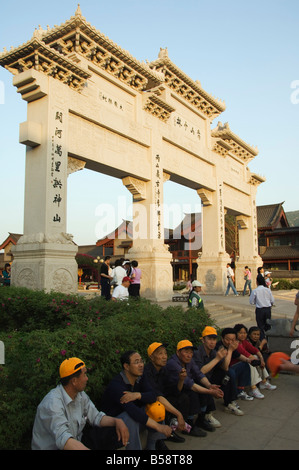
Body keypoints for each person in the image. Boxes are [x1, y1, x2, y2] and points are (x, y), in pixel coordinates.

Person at [31, 357, 129, 450]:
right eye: (84, 374)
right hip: (58, 447)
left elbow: (96, 417)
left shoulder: (80, 395)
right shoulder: (52, 403)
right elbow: (64, 440)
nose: (87, 378)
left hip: (76, 441)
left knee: (112, 432)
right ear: (74, 381)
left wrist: (117, 421)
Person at [101, 350, 172, 450]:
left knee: (156, 408)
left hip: (134, 417)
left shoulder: (140, 377)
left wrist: (138, 395)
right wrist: (158, 427)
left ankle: (152, 445)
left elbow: (153, 396)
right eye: (136, 362)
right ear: (126, 366)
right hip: (115, 425)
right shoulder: (116, 385)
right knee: (129, 417)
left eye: (141, 361)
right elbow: (132, 410)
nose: (141, 365)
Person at [165, 339, 224, 436]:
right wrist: (210, 391)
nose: (189, 355)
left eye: (191, 352)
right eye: (186, 352)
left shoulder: (189, 360)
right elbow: (190, 384)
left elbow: (198, 374)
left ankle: (201, 419)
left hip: (185, 385)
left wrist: (209, 386)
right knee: (192, 394)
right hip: (172, 391)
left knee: (205, 388)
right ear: (178, 352)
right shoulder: (173, 364)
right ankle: (190, 424)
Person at [193, 326, 244, 420]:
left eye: (214, 339)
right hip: (198, 381)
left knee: (227, 375)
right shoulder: (197, 352)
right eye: (209, 339)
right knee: (207, 381)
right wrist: (217, 358)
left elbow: (225, 367)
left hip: (210, 377)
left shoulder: (213, 352)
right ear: (203, 340)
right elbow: (201, 372)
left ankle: (229, 403)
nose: (212, 342)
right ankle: (208, 414)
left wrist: (230, 351)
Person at [144, 342, 186, 443]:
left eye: (165, 353)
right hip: (148, 403)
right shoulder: (147, 372)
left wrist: (181, 379)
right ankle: (159, 441)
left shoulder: (163, 370)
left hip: (161, 398)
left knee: (183, 397)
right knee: (159, 406)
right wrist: (179, 414)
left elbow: (174, 391)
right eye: (160, 354)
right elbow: (157, 396)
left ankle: (174, 428)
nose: (164, 357)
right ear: (152, 357)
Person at [234, 324, 276, 397]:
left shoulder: (244, 342)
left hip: (244, 361)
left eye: (244, 333)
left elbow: (256, 350)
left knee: (256, 356)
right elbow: (246, 354)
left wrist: (261, 360)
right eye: (240, 333)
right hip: (235, 365)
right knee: (251, 361)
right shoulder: (236, 343)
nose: (243, 335)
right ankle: (253, 388)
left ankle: (263, 382)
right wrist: (259, 361)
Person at [215, 328, 253, 401]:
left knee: (244, 364)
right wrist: (230, 350)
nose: (230, 342)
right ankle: (230, 400)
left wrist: (249, 360)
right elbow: (225, 367)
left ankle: (240, 391)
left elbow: (238, 356)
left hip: (228, 369)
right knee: (230, 372)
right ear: (222, 339)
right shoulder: (219, 347)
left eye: (233, 340)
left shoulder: (232, 345)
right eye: (228, 339)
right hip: (218, 373)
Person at [250, 274, 274, 340]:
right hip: (268, 309)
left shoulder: (255, 291)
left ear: (257, 282)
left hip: (260, 310)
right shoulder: (267, 290)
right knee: (268, 326)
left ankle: (262, 340)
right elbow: (272, 300)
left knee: (260, 327)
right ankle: (269, 340)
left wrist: (257, 302)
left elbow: (251, 302)